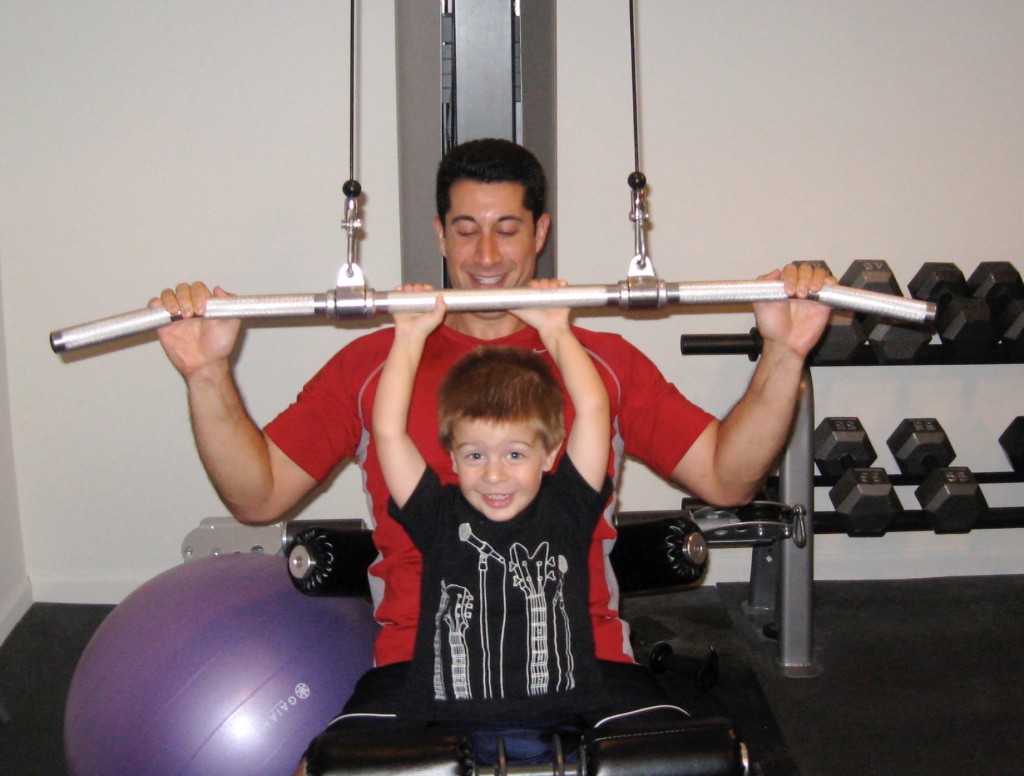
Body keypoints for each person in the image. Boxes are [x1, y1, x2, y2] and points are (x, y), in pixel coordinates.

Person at [153, 138, 832, 760]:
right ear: (438, 234)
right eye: (466, 230)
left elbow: (726, 478)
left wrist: (784, 350)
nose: (485, 256)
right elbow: (255, 494)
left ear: (540, 231)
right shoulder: (376, 365)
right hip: (417, 668)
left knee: (691, 765)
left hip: (586, 662)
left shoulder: (604, 362)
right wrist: (207, 374)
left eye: (507, 229)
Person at [331, 278, 615, 763]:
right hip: (450, 726)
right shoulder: (439, 516)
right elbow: (388, 431)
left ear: (549, 455)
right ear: (453, 457)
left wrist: (556, 330)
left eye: (515, 454)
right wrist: (408, 337)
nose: (495, 474)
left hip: (559, 724)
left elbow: (593, 409)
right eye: (476, 454)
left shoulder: (567, 506)